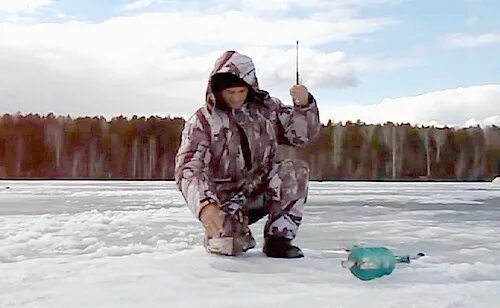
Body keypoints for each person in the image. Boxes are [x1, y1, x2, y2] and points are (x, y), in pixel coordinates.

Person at [175, 50, 320, 258]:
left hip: (261, 187)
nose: (235, 98)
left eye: (241, 92)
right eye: (230, 92)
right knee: (227, 247)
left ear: (250, 87)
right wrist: (205, 205)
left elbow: (301, 137)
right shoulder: (202, 122)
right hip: (224, 199)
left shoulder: (267, 109)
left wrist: (304, 105)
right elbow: (189, 168)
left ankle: (279, 240)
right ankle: (232, 231)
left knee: (294, 170)